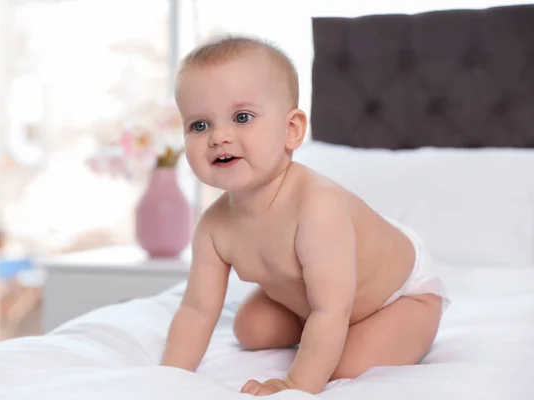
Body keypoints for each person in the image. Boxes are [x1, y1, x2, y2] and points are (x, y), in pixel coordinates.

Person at [160, 35, 449, 396]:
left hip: (396, 297)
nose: (219, 136)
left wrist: (294, 384)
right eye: (199, 125)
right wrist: (168, 377)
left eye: (242, 117)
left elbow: (331, 308)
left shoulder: (317, 206)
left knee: (344, 366)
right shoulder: (214, 227)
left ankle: (420, 318)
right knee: (250, 329)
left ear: (291, 130)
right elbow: (197, 310)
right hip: (313, 301)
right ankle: (304, 323)